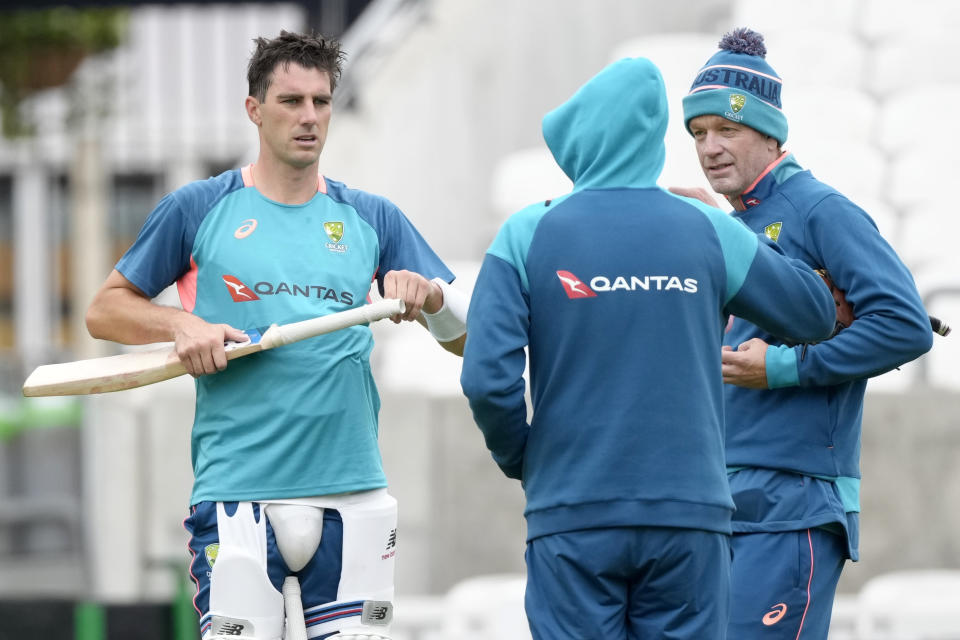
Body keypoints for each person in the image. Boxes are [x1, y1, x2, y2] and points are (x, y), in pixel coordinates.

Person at [85, 31, 467, 640]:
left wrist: (433, 299)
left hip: (354, 493)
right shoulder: (199, 207)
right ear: (254, 109)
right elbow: (105, 311)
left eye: (321, 101)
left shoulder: (372, 216)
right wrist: (182, 324)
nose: (309, 117)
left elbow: (464, 340)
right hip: (237, 493)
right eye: (291, 101)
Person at [459, 56, 838, 640]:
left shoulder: (526, 233)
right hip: (691, 517)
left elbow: (488, 379)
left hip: (572, 511)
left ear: (579, 138)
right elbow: (813, 314)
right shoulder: (707, 228)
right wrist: (735, 239)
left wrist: (525, 459)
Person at [678, 27, 934, 638]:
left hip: (793, 504)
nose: (709, 147)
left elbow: (906, 326)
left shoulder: (821, 210)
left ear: (771, 133)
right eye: (697, 134)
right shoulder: (728, 222)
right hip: (721, 501)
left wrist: (782, 367)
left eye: (727, 129)